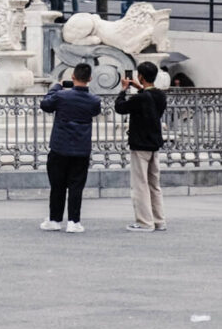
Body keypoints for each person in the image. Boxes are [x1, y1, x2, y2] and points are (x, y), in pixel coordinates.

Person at [39, 62, 101, 233]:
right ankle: (74, 221)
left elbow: (45, 104)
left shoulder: (61, 96)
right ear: (90, 79)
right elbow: (95, 112)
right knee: (76, 186)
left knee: (57, 185)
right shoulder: (94, 101)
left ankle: (55, 219)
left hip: (60, 146)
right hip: (81, 149)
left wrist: (56, 86)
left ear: (73, 77)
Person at [114, 61, 167, 232]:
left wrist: (123, 90)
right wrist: (141, 88)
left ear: (141, 76)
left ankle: (145, 222)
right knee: (154, 184)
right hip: (154, 143)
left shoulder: (140, 98)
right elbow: (149, 102)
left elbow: (120, 107)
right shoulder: (159, 95)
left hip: (140, 143)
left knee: (140, 184)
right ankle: (159, 220)